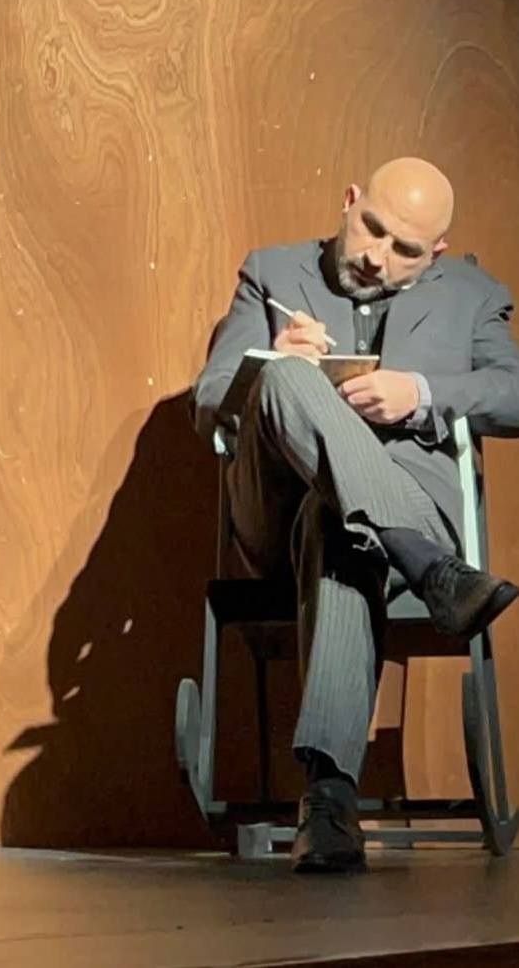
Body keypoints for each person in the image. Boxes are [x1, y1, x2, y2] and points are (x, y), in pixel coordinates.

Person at [193, 158, 519, 874]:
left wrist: (422, 392)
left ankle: (330, 801)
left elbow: (515, 393)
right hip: (277, 517)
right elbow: (209, 397)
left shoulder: (471, 296)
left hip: (384, 510)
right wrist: (268, 360)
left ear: (435, 253)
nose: (377, 256)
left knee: (338, 524)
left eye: (405, 250)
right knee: (285, 377)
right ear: (349, 202)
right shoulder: (272, 273)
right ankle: (431, 568)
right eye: (371, 228)